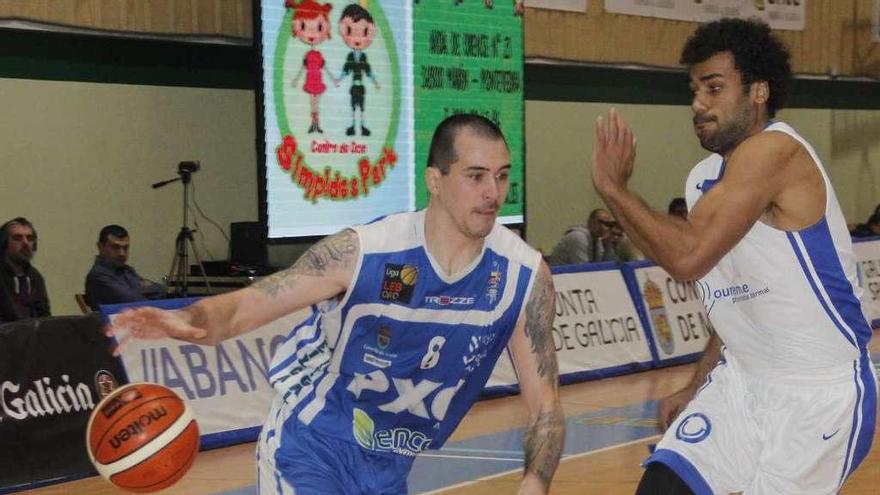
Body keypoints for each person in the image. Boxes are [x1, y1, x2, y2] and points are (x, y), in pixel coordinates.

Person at [110, 115, 564, 495]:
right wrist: (184, 318)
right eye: (476, 176)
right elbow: (250, 304)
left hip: (389, 466)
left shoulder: (522, 275)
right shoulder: (363, 251)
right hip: (310, 443)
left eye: (502, 176)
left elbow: (546, 408)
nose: (493, 193)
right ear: (435, 179)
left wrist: (533, 485)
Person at [589, 18, 877, 494]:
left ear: (758, 91)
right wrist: (698, 383)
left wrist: (613, 189)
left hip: (818, 395)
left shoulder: (777, 152)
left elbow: (689, 257)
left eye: (714, 87)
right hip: (742, 382)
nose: (698, 104)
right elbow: (737, 304)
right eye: (694, 89)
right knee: (662, 487)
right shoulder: (703, 178)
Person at [85, 225, 165, 309]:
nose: (122, 253)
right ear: (100, 247)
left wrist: (135, 290)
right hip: (115, 321)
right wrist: (141, 287)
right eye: (115, 247)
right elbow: (135, 303)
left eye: (125, 248)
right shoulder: (98, 276)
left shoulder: (127, 270)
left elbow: (160, 290)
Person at [337, 3, 380, 137]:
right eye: (350, 30)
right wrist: (339, 79)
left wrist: (375, 82)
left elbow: (368, 71)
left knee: (361, 108)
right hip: (353, 87)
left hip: (360, 87)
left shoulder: (364, 57)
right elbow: (346, 70)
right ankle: (352, 126)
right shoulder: (350, 56)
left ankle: (361, 126)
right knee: (352, 107)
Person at [547, 208, 640, 265]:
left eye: (607, 224)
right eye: (600, 222)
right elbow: (583, 269)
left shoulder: (597, 240)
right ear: (590, 221)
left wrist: (608, 246)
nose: (603, 227)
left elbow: (603, 267)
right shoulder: (578, 237)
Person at [0, 217, 50, 322]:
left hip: (30, 336)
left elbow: (44, 317)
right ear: (4, 243)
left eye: (30, 238)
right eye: (17, 238)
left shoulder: (34, 276)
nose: (25, 243)